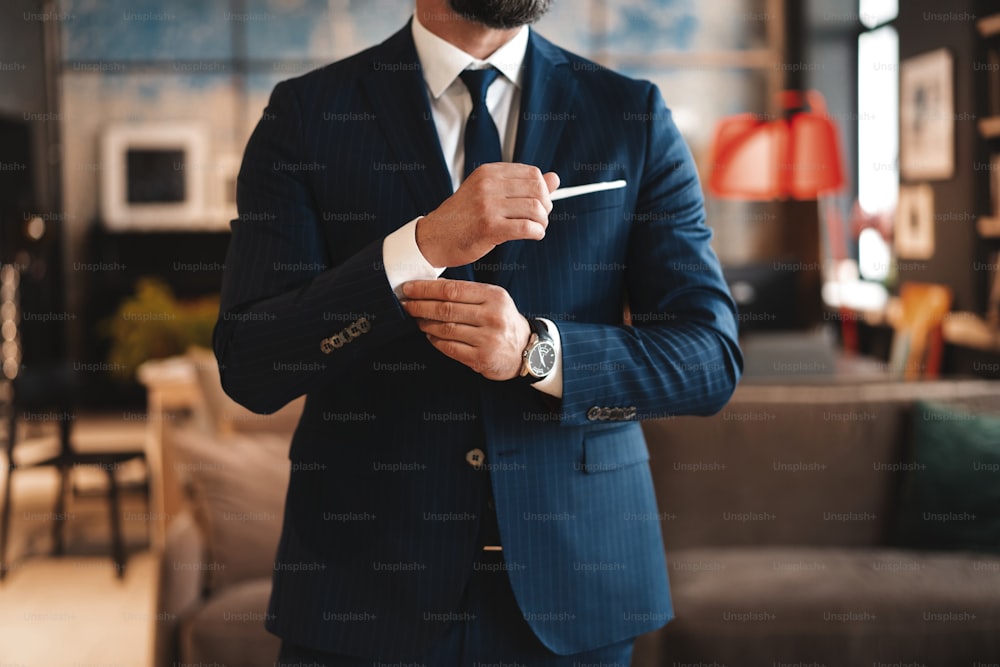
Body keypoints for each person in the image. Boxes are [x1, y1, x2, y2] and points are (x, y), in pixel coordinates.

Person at [214, 0, 743, 664]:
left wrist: (536, 351)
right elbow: (250, 364)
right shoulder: (305, 116)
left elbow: (709, 359)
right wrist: (424, 243)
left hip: (577, 590)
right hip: (362, 593)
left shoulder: (632, 114)